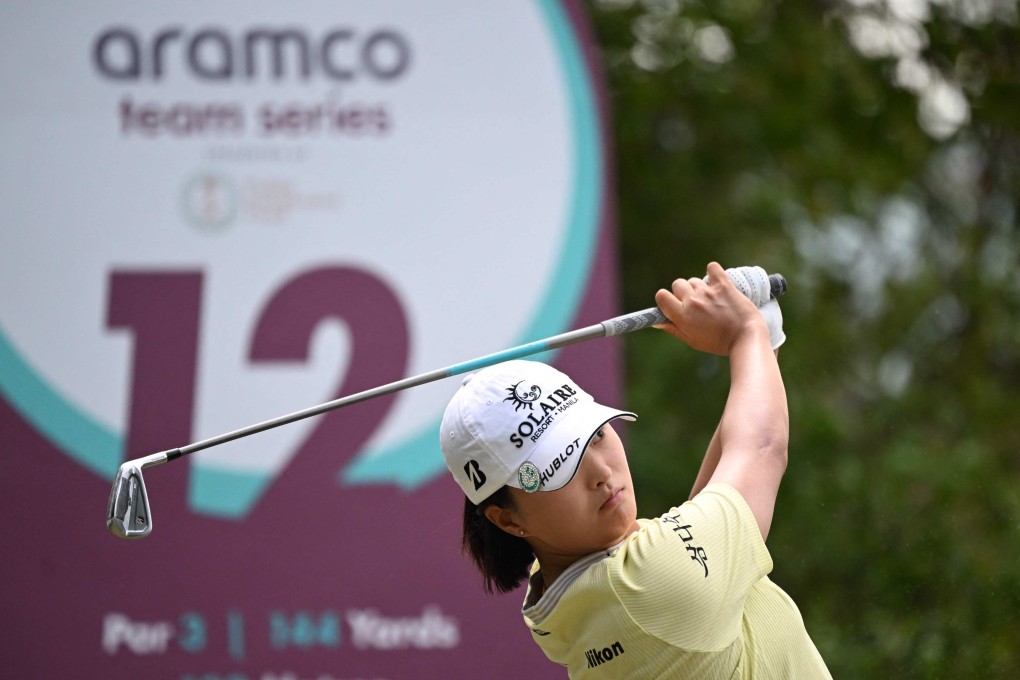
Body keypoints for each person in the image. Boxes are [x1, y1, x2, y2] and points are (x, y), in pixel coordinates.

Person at [439, 262, 832, 678]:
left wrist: (759, 348)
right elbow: (761, 447)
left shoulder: (570, 588)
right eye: (559, 466)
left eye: (595, 435)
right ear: (507, 519)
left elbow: (713, 507)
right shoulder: (648, 583)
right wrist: (746, 333)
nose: (600, 473)